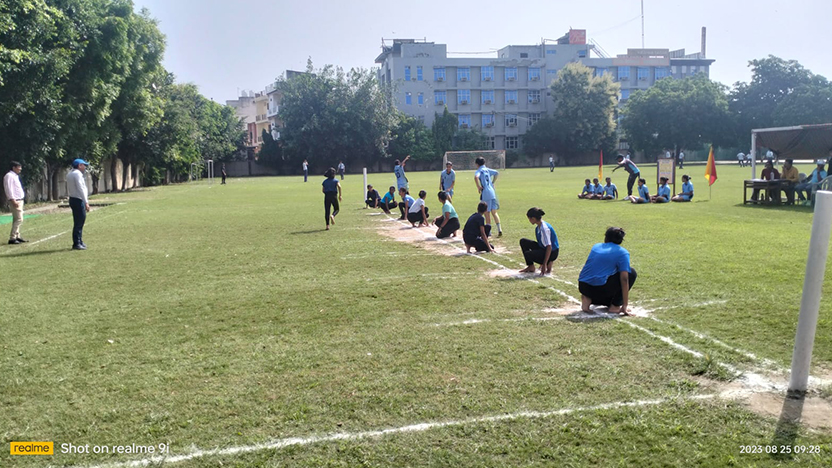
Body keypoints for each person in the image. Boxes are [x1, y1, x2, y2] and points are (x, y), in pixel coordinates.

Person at [578, 227, 637, 315]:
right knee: (631, 273)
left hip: (583, 287)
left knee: (600, 277)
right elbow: (624, 279)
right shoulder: (622, 252)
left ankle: (587, 298)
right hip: (600, 290)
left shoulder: (596, 246)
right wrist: (624, 305)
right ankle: (615, 306)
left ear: (606, 238)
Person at [518, 207, 559, 276]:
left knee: (528, 254)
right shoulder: (538, 227)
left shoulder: (544, 229)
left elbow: (549, 247)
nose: (529, 220)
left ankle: (549, 261)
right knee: (523, 241)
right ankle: (531, 266)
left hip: (552, 252)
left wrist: (544, 264)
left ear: (533, 218)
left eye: (529, 219)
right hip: (544, 248)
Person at [474, 157, 502, 236]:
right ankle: (499, 229)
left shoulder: (479, 170)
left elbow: (476, 177)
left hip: (486, 193)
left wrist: (478, 187)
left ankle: (488, 232)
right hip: (492, 192)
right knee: (494, 212)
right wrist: (493, 182)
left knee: (487, 213)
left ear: (477, 164)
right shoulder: (487, 169)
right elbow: (496, 173)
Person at [66, 159, 91, 250]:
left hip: (73, 199)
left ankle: (79, 241)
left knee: (78, 221)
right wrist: (86, 202)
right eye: (84, 165)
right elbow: (81, 188)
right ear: (79, 165)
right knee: (79, 222)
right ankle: (77, 242)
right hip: (78, 199)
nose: (85, 167)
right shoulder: (77, 174)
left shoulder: (70, 174)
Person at [4, 161, 26, 244]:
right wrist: (13, 200)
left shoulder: (15, 176)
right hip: (15, 200)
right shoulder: (9, 176)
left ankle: (17, 235)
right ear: (13, 167)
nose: (20, 169)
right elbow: (8, 189)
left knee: (17, 219)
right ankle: (12, 238)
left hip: (20, 200)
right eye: (18, 167)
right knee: (19, 219)